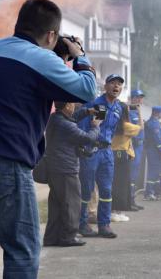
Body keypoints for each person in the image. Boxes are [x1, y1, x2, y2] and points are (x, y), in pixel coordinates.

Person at [0, 0, 96, 278]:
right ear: (51, 35)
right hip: (9, 165)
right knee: (22, 250)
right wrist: (80, 57)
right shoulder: (40, 59)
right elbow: (86, 90)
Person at [43, 102, 100, 247]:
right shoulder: (66, 125)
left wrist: (87, 111)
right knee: (72, 204)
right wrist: (96, 126)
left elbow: (73, 117)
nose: (75, 107)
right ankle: (69, 237)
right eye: (73, 104)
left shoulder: (55, 118)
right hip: (66, 169)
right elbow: (88, 138)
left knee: (56, 205)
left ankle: (51, 237)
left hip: (55, 168)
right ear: (67, 106)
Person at [77, 74, 125, 239]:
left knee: (106, 189)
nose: (116, 86)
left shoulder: (118, 107)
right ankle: (82, 224)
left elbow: (111, 130)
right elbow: (84, 128)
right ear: (105, 87)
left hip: (107, 152)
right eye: (112, 83)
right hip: (92, 151)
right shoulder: (97, 105)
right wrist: (84, 148)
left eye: (119, 84)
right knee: (87, 189)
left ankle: (104, 225)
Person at [111, 102, 142, 221]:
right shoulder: (126, 126)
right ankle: (116, 212)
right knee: (122, 185)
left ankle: (113, 211)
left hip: (112, 154)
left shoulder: (111, 124)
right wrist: (138, 112)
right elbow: (140, 127)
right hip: (122, 155)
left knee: (113, 184)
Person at [144, 106, 161, 200]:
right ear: (157, 113)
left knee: (155, 171)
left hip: (153, 149)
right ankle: (149, 193)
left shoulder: (154, 122)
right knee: (153, 171)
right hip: (153, 150)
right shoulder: (154, 123)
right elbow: (157, 139)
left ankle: (154, 192)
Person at [129, 89, 146, 210]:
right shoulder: (129, 113)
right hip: (133, 146)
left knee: (135, 176)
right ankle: (129, 201)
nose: (140, 99)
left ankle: (132, 200)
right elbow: (138, 129)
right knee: (131, 175)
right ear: (133, 98)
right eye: (138, 97)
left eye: (141, 97)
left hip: (140, 146)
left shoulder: (137, 113)